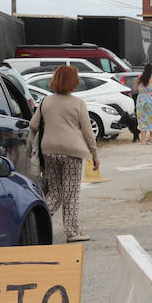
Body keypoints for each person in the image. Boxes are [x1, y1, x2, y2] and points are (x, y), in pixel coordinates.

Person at [29, 66, 99, 243]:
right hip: (72, 151)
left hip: (49, 151)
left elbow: (33, 125)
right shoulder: (78, 103)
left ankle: (37, 221)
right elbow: (88, 132)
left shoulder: (45, 102)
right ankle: (72, 232)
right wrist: (94, 154)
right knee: (71, 193)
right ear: (73, 82)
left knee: (55, 192)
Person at [134, 63, 152, 145]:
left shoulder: (139, 78)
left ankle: (143, 140)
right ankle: (151, 137)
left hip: (141, 101)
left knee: (142, 119)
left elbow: (135, 90)